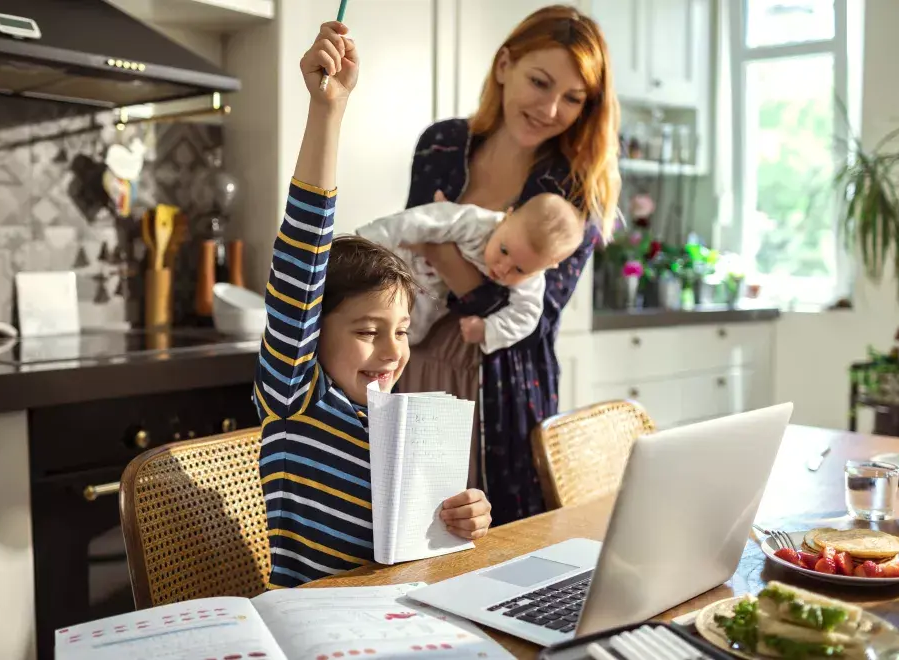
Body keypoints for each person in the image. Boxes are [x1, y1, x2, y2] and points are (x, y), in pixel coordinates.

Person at [253, 21, 492, 589]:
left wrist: (466, 516)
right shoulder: (297, 398)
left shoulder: (397, 420)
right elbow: (302, 253)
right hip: (315, 622)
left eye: (402, 330)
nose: (391, 351)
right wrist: (328, 110)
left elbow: (428, 551)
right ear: (310, 332)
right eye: (367, 331)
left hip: (401, 617)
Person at [398, 5, 622, 525]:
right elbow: (408, 261)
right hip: (415, 363)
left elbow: (526, 315)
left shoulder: (574, 186)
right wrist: (444, 262)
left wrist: (443, 253)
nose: (550, 109)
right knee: (411, 533)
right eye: (540, 83)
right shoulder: (441, 143)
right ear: (504, 66)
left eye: (573, 99)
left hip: (505, 386)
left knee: (502, 544)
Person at [356, 191, 584, 353]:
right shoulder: (476, 222)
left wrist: (488, 329)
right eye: (504, 250)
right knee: (367, 286)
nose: (503, 268)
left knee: (409, 332)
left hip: (432, 292)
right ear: (506, 216)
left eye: (520, 269)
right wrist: (370, 240)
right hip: (407, 258)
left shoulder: (533, 279)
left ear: (545, 268)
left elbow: (526, 315)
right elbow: (421, 220)